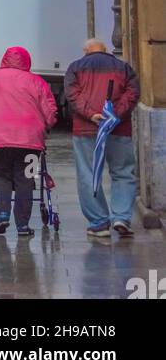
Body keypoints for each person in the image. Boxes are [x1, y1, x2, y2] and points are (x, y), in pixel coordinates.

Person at [0, 45, 58, 237]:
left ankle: (2, 215)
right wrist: (48, 124)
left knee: (1, 174)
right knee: (26, 179)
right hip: (31, 142)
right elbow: (49, 110)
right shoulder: (37, 81)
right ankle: (23, 225)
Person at [64, 38, 140, 239]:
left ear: (85, 51)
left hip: (86, 130)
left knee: (89, 175)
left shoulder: (75, 68)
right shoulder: (124, 68)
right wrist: (114, 115)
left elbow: (73, 96)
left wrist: (91, 114)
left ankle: (99, 223)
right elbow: (132, 94)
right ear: (106, 50)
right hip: (118, 129)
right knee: (123, 172)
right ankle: (121, 217)